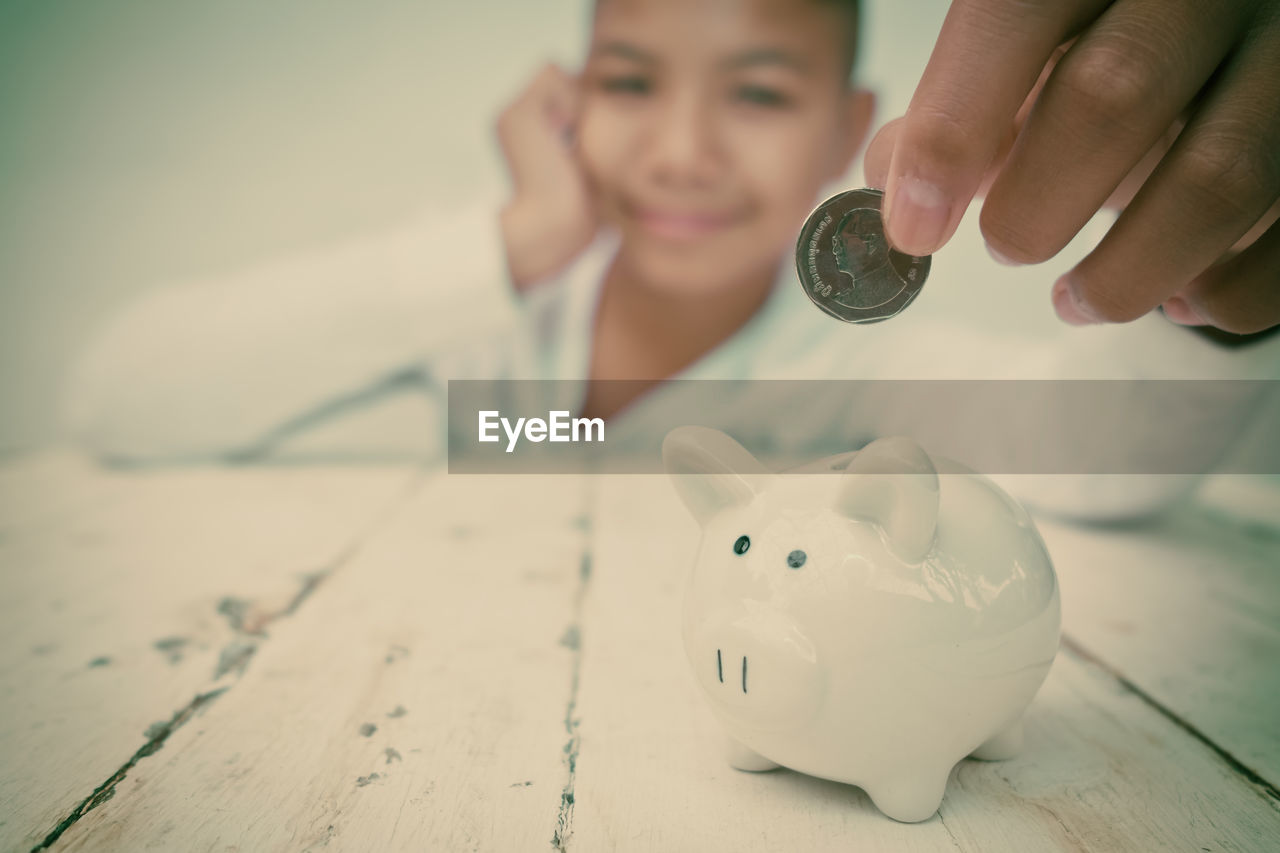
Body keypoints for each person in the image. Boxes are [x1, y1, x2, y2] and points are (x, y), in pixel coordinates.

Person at [62, 0, 1278, 519]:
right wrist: (512, 241)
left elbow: (1100, 465)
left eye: (754, 94)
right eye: (631, 84)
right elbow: (123, 394)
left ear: (845, 128)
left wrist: (1217, 272)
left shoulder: (848, 384)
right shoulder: (475, 325)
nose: (682, 153)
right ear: (567, 104)